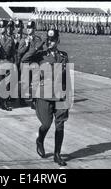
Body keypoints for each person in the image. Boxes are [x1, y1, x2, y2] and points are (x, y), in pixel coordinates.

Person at [35, 29, 70, 166]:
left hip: (60, 95)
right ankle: (40, 140)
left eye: (53, 39)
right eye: (48, 40)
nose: (51, 42)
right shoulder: (40, 55)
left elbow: (65, 77)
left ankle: (57, 154)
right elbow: (24, 58)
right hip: (45, 95)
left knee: (60, 125)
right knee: (46, 124)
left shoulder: (64, 56)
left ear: (58, 40)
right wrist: (42, 43)